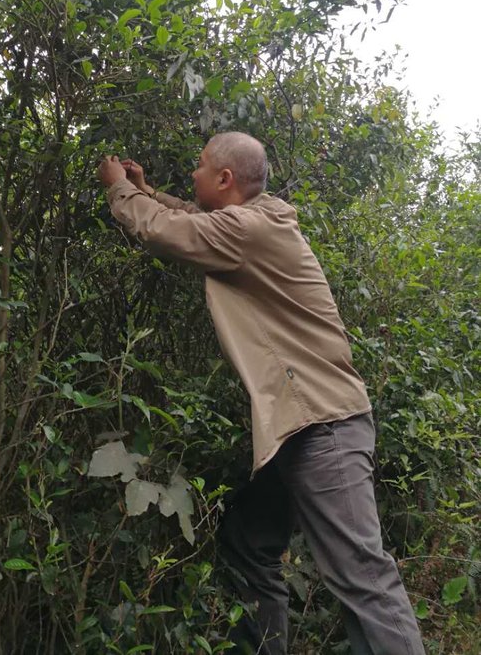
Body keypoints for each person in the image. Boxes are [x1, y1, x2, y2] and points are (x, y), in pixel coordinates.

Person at [97, 133, 424, 655]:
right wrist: (148, 190)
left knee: (363, 577)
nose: (194, 175)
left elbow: (167, 233)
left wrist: (119, 190)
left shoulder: (249, 229)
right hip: (296, 425)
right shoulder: (255, 220)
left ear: (225, 179)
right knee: (249, 544)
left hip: (324, 426)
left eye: (200, 166)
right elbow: (191, 219)